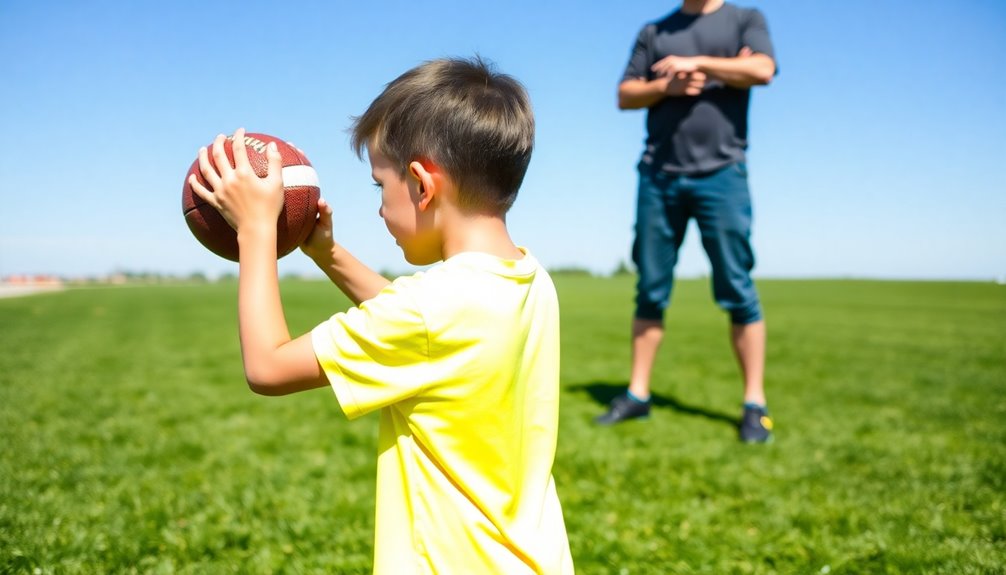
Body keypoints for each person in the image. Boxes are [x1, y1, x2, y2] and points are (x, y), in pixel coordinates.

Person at [188, 57, 574, 573]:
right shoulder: (528, 277)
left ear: (421, 184)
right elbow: (421, 330)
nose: (379, 208)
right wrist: (328, 254)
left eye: (379, 186)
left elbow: (268, 366)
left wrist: (256, 231)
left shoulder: (430, 310)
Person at [595, 0, 777, 443]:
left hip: (722, 175)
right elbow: (624, 94)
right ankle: (638, 393)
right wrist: (667, 87)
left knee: (737, 287)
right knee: (651, 288)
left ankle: (755, 402)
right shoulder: (655, 32)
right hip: (659, 176)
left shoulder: (744, 20)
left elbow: (763, 70)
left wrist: (698, 63)